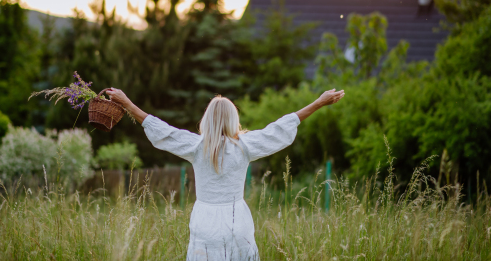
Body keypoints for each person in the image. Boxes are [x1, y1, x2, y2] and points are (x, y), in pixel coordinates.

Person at [106, 88, 345, 261]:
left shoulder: (196, 146)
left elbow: (161, 130)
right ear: (234, 119)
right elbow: (280, 128)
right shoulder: (245, 145)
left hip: (205, 222)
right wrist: (318, 103)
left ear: (207, 120)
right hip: (236, 219)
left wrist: (127, 103)